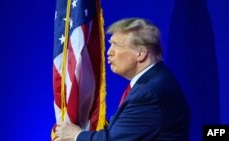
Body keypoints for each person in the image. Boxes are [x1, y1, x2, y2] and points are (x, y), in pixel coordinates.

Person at [54, 18, 190, 141]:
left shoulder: (149, 94)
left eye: (117, 45)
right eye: (110, 45)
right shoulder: (152, 81)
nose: (109, 52)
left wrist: (76, 135)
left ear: (141, 54)